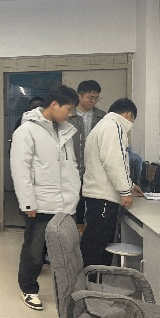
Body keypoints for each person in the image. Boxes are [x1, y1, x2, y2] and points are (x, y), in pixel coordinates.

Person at [10, 85, 80, 310]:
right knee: (35, 250)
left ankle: (68, 292)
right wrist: (27, 202)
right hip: (40, 203)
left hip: (66, 203)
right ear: (54, 105)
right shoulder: (26, 131)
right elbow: (20, 169)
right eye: (68, 109)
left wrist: (74, 195)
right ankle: (28, 288)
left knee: (66, 251)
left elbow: (70, 166)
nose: (70, 114)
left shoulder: (65, 131)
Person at [80, 98, 143, 267]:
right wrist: (125, 191)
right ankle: (91, 276)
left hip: (97, 194)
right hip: (104, 196)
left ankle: (89, 275)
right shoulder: (114, 126)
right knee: (98, 241)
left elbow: (109, 163)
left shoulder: (102, 125)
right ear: (128, 115)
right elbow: (114, 162)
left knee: (94, 237)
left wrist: (130, 186)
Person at [67, 80, 107, 224]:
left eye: (96, 98)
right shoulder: (68, 116)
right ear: (80, 96)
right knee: (74, 206)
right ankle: (74, 231)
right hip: (72, 168)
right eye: (90, 97)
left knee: (94, 207)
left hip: (94, 169)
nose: (93, 101)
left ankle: (89, 233)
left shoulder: (102, 117)